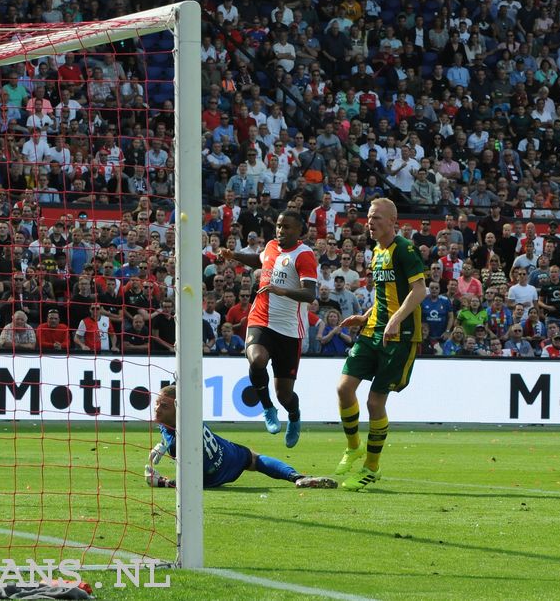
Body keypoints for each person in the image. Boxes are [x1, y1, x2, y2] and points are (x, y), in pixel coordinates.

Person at [334, 199, 426, 491]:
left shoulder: (405, 250)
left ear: (392, 221)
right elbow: (384, 296)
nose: (369, 222)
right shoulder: (376, 252)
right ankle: (353, 447)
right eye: (368, 218)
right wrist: (364, 316)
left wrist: (397, 319)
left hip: (399, 336)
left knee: (375, 402)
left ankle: (371, 468)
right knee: (344, 387)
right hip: (374, 329)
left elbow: (420, 290)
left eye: (375, 218)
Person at [219, 211, 317, 448]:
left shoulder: (304, 255)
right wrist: (235, 255)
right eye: (279, 226)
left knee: (285, 395)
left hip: (289, 330)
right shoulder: (272, 246)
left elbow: (310, 294)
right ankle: (266, 407)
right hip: (261, 318)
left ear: (299, 231)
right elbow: (259, 260)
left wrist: (282, 291)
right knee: (257, 358)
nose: (281, 231)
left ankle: (294, 416)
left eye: (287, 227)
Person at [145, 385, 336, 489]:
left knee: (188, 482)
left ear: (177, 409)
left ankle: (159, 481)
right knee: (253, 458)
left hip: (210, 475)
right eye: (157, 404)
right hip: (224, 453)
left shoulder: (176, 443)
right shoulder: (188, 415)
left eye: (164, 406)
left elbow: (190, 481)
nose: (157, 409)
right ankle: (295, 476)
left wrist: (162, 481)